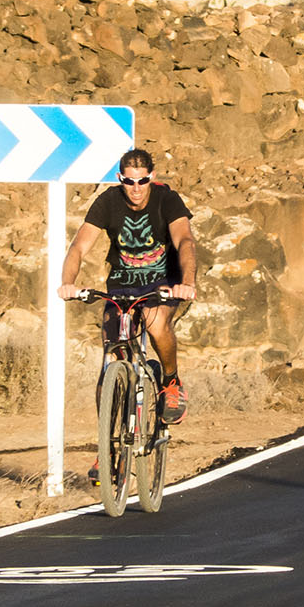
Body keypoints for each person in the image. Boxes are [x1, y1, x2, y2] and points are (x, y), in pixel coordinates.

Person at [56, 148, 197, 428]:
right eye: (129, 181)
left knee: (155, 324)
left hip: (164, 282)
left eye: (142, 181)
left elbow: (185, 241)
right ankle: (108, 450)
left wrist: (188, 282)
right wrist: (68, 283)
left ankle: (170, 382)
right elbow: (79, 248)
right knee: (111, 357)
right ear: (120, 178)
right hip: (121, 286)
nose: (135, 188)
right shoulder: (108, 201)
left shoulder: (166, 199)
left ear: (151, 178)